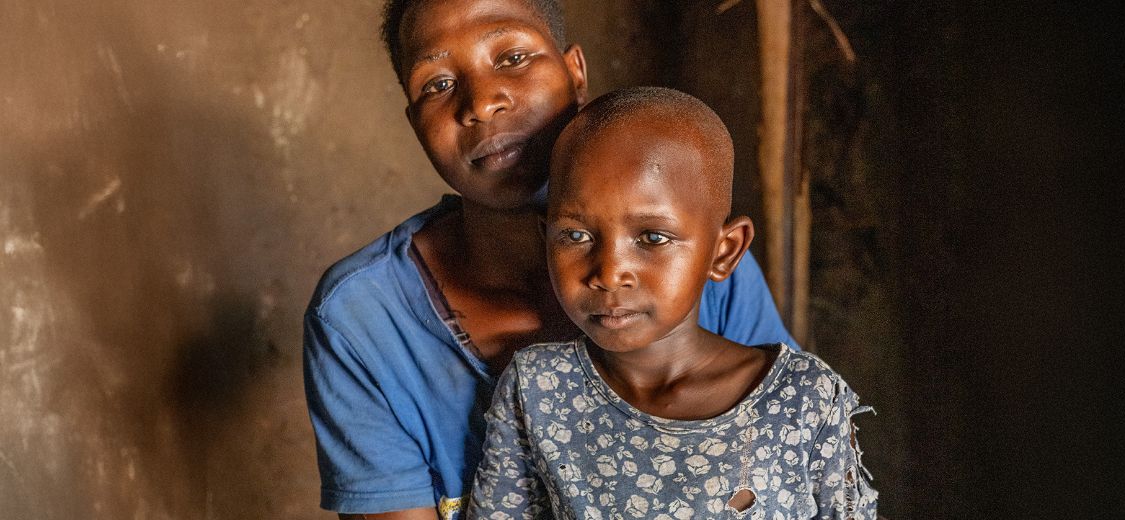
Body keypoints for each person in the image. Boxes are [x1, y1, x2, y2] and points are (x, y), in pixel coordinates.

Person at [302, 1, 797, 518]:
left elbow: (784, 478)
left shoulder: (695, 267)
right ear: (414, 122)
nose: (482, 102)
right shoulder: (361, 320)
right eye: (438, 84)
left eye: (513, 56)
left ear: (575, 73)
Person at [467, 87, 877, 520]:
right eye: (575, 236)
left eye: (652, 238)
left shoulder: (804, 398)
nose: (609, 273)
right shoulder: (538, 389)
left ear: (724, 252)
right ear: (545, 239)